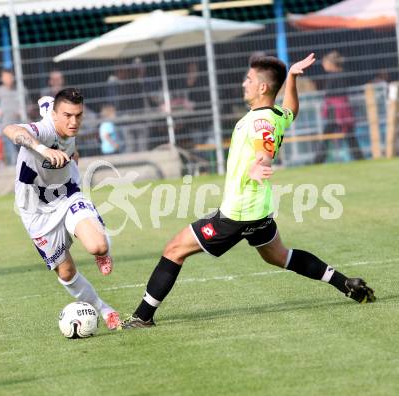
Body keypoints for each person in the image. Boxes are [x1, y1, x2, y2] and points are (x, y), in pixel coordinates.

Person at [122, 54, 376, 329]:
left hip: (239, 211)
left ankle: (142, 317)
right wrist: (291, 77)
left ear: (263, 88)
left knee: (174, 250)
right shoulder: (276, 115)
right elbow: (292, 109)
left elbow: (264, 149)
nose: (245, 83)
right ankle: (345, 283)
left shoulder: (261, 122)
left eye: (249, 79)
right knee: (278, 256)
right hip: (259, 208)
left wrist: (260, 165)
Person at [3, 89, 121, 330]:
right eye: (67, 115)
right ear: (54, 114)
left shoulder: (65, 120)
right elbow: (11, 130)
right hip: (35, 209)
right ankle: (103, 308)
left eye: (78, 116)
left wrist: (72, 157)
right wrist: (44, 150)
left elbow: (68, 143)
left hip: (67, 194)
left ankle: (102, 251)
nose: (73, 121)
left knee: (98, 245)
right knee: (66, 273)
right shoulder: (44, 128)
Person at [314, 51, 364, 163]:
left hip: (334, 110)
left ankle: (318, 160)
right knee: (349, 134)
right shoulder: (345, 74)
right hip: (345, 108)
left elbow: (329, 94)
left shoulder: (333, 77)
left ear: (331, 64)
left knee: (326, 135)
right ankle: (359, 157)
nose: (324, 65)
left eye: (325, 63)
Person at [0, 69, 31, 166]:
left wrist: (24, 111)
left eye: (9, 77)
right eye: (5, 77)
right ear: (2, 78)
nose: (8, 79)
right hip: (4, 126)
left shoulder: (22, 90)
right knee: (10, 150)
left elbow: (30, 105)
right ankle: (12, 166)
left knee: (23, 149)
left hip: (21, 125)